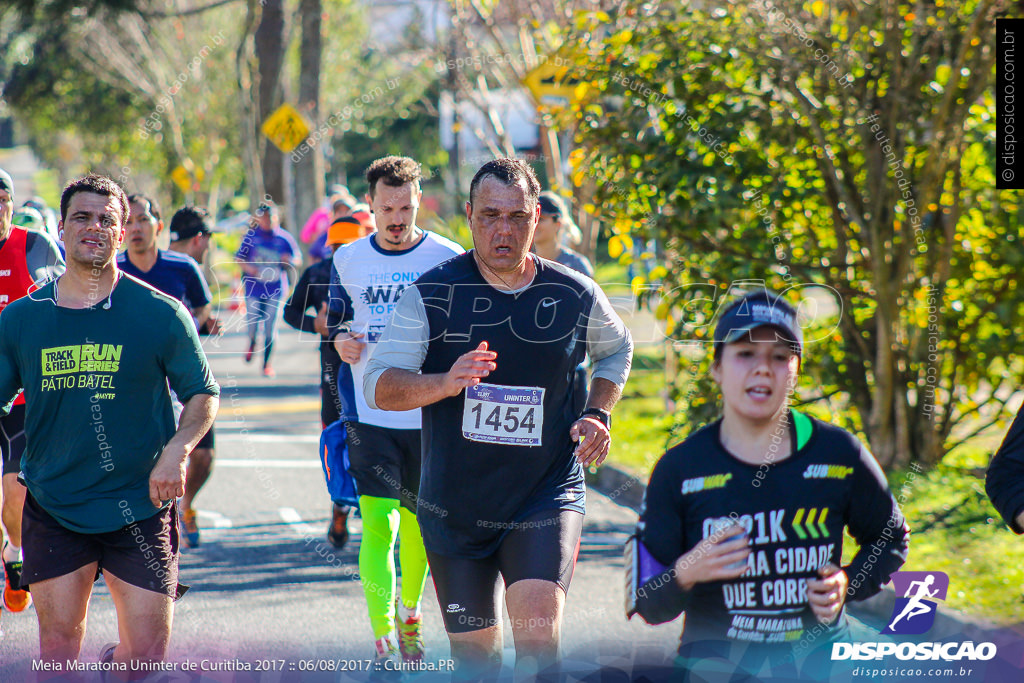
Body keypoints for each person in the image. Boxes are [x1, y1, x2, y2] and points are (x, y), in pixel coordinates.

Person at [363, 158, 633, 680]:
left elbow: (617, 350)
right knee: (478, 663)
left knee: (537, 641)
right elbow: (380, 386)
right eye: (490, 216)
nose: (503, 230)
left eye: (517, 216)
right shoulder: (432, 294)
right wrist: (446, 382)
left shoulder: (573, 293)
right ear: (469, 216)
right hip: (455, 505)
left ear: (538, 219)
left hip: (544, 492)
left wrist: (597, 411)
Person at [630, 290, 909, 681]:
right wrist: (688, 570)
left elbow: (891, 537)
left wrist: (848, 581)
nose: (763, 369)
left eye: (780, 357)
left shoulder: (838, 453)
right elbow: (646, 602)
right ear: (716, 368)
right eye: (745, 354)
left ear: (795, 371)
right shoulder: (680, 468)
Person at [0, 174, 219, 666]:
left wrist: (176, 451)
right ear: (61, 228)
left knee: (145, 659)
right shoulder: (22, 319)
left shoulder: (160, 313)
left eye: (107, 219)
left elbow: (203, 393)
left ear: (122, 234)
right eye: (82, 216)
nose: (94, 227)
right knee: (57, 656)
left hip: (139, 506)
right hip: (55, 504)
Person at [327, 156, 464, 669]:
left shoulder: (448, 257)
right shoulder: (349, 260)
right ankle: (383, 637)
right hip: (370, 412)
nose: (397, 217)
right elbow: (336, 323)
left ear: (418, 202)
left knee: (416, 528)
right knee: (378, 524)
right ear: (371, 207)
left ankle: (410, 613)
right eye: (387, 208)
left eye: (406, 206)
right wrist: (340, 340)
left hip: (428, 414)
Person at [117, 199, 218, 548]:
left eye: (143, 219)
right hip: (129, 383)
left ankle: (185, 505)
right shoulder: (110, 270)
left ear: (158, 226)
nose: (136, 228)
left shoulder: (183, 267)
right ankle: (155, 533)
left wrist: (187, 334)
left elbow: (203, 309)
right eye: (128, 221)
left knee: (202, 455)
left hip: (179, 378)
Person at [0, 168, 64, 619]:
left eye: (1, 198)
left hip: (22, 398)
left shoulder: (33, 245)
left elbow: (67, 296)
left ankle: (16, 551)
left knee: (14, 496)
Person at [283, 217, 365, 549]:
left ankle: (372, 506)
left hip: (373, 371)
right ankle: (340, 505)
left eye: (349, 246)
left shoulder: (371, 271)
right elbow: (290, 312)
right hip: (333, 370)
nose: (342, 253)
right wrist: (315, 323)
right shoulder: (317, 274)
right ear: (328, 247)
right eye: (337, 247)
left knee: (371, 441)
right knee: (337, 438)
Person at [235, 200, 301, 378]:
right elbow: (239, 258)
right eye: (264, 217)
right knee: (253, 326)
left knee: (270, 329)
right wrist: (252, 269)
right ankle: (252, 341)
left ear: (277, 218)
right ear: (258, 218)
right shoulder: (251, 236)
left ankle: (266, 364)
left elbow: (297, 259)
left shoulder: (284, 238)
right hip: (254, 289)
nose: (268, 220)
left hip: (275, 289)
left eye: (271, 217)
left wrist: (289, 260)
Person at [532, 191, 593, 278]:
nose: (534, 224)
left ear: (558, 224)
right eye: (531, 218)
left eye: (541, 219)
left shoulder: (576, 265)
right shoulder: (522, 266)